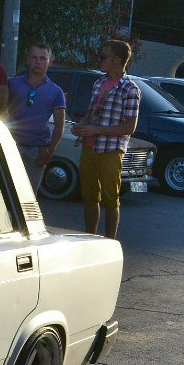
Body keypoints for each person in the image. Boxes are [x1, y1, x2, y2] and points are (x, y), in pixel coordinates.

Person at [72, 40, 140, 239]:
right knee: (89, 197)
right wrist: (82, 126)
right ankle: (90, 237)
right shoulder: (99, 82)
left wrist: (96, 130)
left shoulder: (130, 89)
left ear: (117, 60)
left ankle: (110, 241)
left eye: (103, 57)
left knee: (111, 199)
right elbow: (91, 113)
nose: (100, 60)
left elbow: (130, 127)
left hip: (111, 150)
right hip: (89, 147)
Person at [5, 43, 66, 193]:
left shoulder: (56, 92)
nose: (38, 62)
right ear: (27, 60)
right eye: (34, 57)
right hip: (11, 145)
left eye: (43, 58)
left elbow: (59, 125)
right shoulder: (12, 83)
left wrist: (50, 152)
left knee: (29, 195)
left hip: (37, 150)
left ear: (50, 62)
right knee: (6, 193)